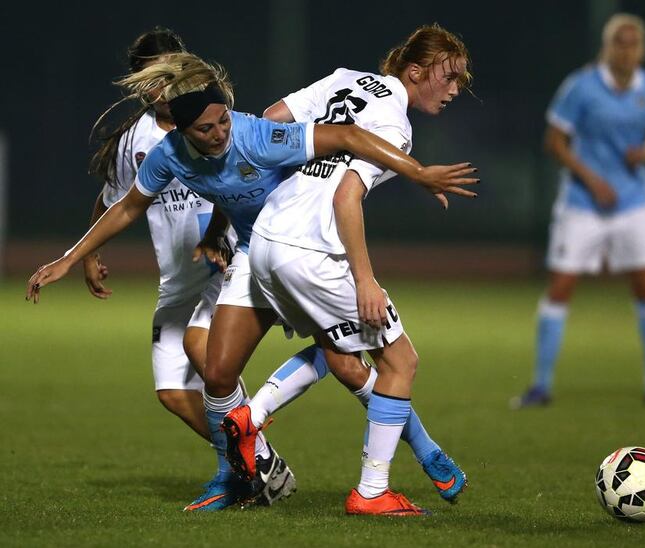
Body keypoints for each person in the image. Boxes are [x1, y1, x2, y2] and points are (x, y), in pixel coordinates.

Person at [26, 51, 476, 508]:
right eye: (207, 129)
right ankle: (243, 471)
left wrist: (415, 170)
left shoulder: (256, 136)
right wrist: (70, 257)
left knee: (347, 362)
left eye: (224, 121)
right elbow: (127, 206)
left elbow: (345, 134)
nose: (221, 133)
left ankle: (408, 452)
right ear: (181, 132)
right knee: (219, 373)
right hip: (258, 250)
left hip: (300, 247)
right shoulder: (169, 157)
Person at [223, 24, 474, 515]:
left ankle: (251, 416)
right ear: (416, 71)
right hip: (310, 250)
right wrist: (365, 280)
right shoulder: (396, 126)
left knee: (337, 350)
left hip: (267, 239)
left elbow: (269, 121)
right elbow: (346, 196)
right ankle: (372, 491)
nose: (454, 89)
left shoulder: (344, 79)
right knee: (400, 362)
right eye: (449, 77)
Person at [81, 29, 310, 512]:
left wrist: (224, 238)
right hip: (176, 280)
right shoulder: (134, 144)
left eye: (179, 71)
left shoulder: (211, 121)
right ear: (144, 84)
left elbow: (239, 184)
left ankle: (242, 468)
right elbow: (116, 201)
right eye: (162, 75)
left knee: (207, 356)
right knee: (170, 391)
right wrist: (86, 253)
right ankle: (254, 459)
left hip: (222, 263)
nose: (173, 84)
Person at [511, 13, 645, 409]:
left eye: (634, 43)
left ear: (642, 49)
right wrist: (591, 179)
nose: (627, 49)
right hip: (582, 204)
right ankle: (541, 385)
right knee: (560, 287)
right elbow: (555, 140)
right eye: (619, 42)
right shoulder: (581, 87)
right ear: (607, 46)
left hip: (634, 202)